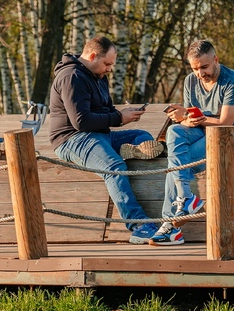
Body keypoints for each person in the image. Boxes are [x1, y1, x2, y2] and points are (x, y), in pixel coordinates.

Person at [49, 35, 164, 245]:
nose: (109, 69)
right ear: (93, 56)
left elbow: (107, 111)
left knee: (143, 137)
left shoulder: (98, 76)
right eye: (107, 64)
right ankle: (138, 225)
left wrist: (125, 114)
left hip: (100, 135)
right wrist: (119, 118)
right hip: (72, 139)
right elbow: (81, 121)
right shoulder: (72, 76)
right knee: (114, 166)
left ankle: (123, 150)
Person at [149, 39, 234, 246]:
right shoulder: (191, 80)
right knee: (174, 131)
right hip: (201, 132)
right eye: (195, 68)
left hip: (231, 138)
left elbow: (225, 124)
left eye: (204, 67)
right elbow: (190, 120)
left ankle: (172, 227)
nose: (200, 74)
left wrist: (196, 118)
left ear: (216, 59)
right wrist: (183, 118)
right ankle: (186, 198)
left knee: (177, 167)